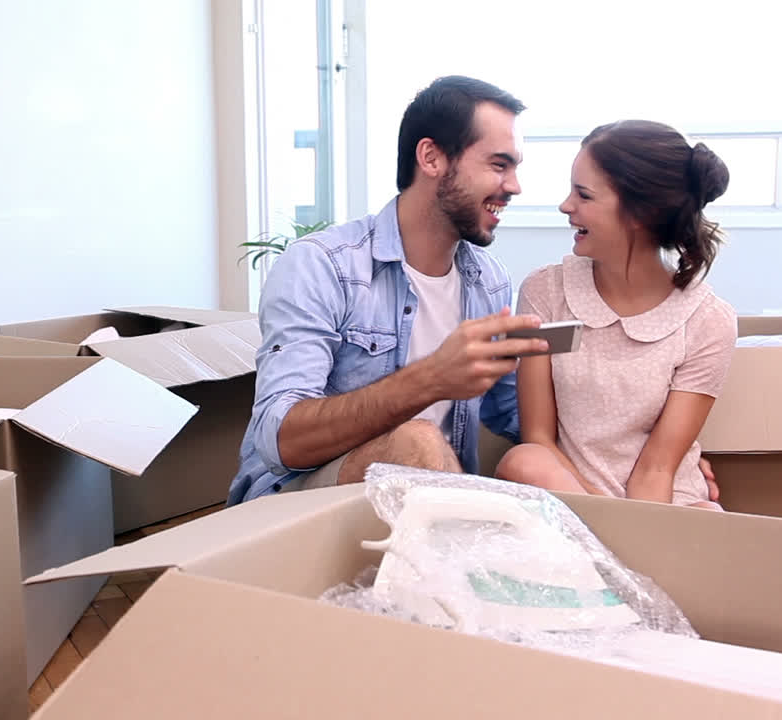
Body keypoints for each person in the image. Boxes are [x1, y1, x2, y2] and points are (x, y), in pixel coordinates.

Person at [226, 75, 551, 506]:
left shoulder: (488, 281)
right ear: (431, 158)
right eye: (498, 165)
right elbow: (281, 439)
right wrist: (433, 377)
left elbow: (513, 415)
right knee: (416, 442)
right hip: (294, 502)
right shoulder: (323, 265)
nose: (514, 186)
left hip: (427, 502)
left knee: (527, 461)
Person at [495, 119, 736, 509]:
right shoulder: (543, 291)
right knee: (525, 461)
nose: (565, 206)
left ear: (642, 213)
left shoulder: (709, 321)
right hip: (569, 498)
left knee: (710, 514)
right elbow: (538, 437)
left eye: (584, 195)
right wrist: (607, 520)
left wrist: (635, 534)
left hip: (662, 505)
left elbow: (657, 468)